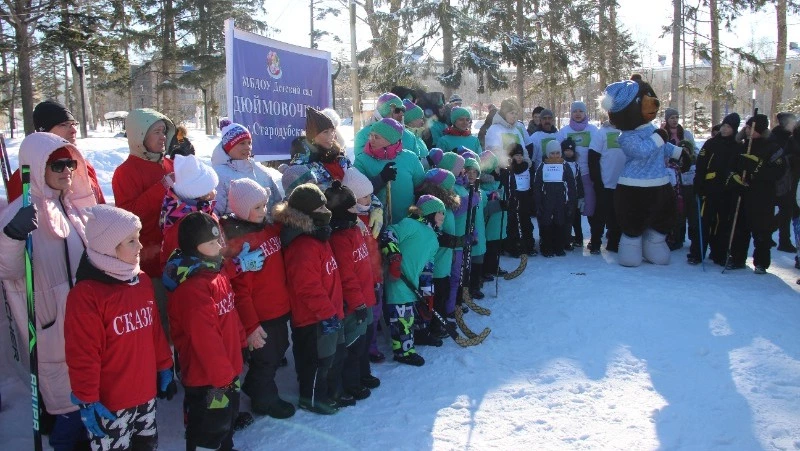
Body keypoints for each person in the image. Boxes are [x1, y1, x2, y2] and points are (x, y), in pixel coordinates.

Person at [0, 132, 98, 450]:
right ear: (37, 166)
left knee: (86, 402)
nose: (67, 171)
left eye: (70, 163)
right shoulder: (20, 212)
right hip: (51, 327)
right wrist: (12, 236)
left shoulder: (71, 206)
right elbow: (9, 272)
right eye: (57, 165)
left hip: (83, 323)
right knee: (68, 411)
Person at [65, 205, 175, 451]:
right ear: (108, 246)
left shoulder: (141, 280)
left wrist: (164, 364)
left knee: (146, 445)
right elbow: (83, 352)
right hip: (110, 403)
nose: (140, 246)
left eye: (138, 239)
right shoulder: (87, 294)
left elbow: (154, 330)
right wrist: (86, 396)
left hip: (145, 394)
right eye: (131, 241)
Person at [163, 212, 246, 450]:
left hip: (226, 371)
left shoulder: (215, 272)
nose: (219, 246)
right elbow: (205, 339)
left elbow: (230, 311)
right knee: (209, 427)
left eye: (218, 240)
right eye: (211, 243)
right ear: (194, 247)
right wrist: (223, 379)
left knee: (225, 421)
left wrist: (241, 342)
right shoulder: (193, 288)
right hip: (209, 379)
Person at [219, 178, 295, 419]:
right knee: (266, 360)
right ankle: (265, 399)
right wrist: (251, 327)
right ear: (242, 210)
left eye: (264, 205)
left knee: (280, 347)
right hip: (262, 316)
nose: (264, 211)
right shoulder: (240, 242)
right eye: (258, 208)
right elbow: (240, 292)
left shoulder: (266, 228)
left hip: (278, 308)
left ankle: (254, 385)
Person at [272, 183, 344, 415]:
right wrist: (327, 313)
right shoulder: (303, 246)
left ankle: (326, 395)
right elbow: (307, 287)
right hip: (313, 318)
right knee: (315, 362)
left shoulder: (316, 236)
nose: (325, 210)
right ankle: (310, 398)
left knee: (327, 358)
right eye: (320, 206)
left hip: (327, 312)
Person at [325, 181, 378, 403]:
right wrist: (358, 303)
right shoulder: (339, 239)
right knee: (354, 345)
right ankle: (352, 382)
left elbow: (365, 263)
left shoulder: (355, 229)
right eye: (351, 208)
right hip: (355, 303)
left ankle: (363, 374)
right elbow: (346, 277)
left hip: (367, 295)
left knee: (364, 340)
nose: (357, 211)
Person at [112, 108, 176, 286]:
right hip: (149, 263)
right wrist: (161, 188)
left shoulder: (170, 164)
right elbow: (129, 216)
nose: (163, 136)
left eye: (164, 131)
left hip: (178, 257)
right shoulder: (125, 172)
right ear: (139, 136)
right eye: (156, 132)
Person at [380, 195, 445, 367]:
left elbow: (427, 269)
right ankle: (403, 351)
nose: (443, 217)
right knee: (403, 318)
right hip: (398, 280)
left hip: (414, 283)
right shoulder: (411, 224)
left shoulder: (433, 239)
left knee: (419, 313)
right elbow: (389, 233)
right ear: (430, 212)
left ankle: (421, 336)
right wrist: (393, 256)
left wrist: (427, 294)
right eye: (441, 212)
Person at [7, 99, 106, 204]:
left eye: (73, 124)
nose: (74, 130)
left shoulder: (83, 166)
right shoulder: (27, 175)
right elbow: (22, 215)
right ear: (44, 131)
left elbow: (101, 208)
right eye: (64, 124)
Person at [725, 114, 785, 274]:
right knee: (739, 227)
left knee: (761, 229)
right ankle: (737, 258)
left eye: (751, 128)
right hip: (743, 193)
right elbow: (731, 166)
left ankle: (761, 262)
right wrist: (735, 177)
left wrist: (757, 167)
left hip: (762, 195)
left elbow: (778, 172)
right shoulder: (742, 146)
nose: (747, 130)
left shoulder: (773, 147)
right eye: (746, 127)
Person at [342, 167, 386, 368]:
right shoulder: (350, 223)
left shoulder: (370, 215)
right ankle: (366, 349)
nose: (370, 201)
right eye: (365, 197)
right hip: (361, 279)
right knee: (363, 319)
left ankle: (372, 344)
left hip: (375, 274)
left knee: (374, 315)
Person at [354, 118, 425, 224]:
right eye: (371, 135)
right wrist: (380, 179)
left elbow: (420, 186)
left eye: (376, 137)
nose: (371, 140)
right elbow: (356, 191)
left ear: (391, 139)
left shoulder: (410, 158)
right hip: (376, 222)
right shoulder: (362, 160)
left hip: (406, 222)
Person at [692, 113, 740, 265]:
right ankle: (697, 253)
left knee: (722, 224)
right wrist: (698, 184)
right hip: (709, 189)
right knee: (704, 221)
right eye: (724, 126)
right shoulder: (711, 144)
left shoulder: (738, 147)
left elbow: (738, 168)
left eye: (729, 127)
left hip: (726, 191)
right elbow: (700, 165)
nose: (725, 130)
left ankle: (719, 254)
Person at [159, 154, 219, 271]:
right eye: (212, 188)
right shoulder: (186, 225)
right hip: (197, 281)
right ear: (203, 195)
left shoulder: (203, 211)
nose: (215, 192)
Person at [212, 122, 282, 217]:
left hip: (268, 230)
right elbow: (214, 213)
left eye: (249, 143)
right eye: (242, 143)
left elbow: (277, 204)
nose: (248, 147)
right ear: (229, 147)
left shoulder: (261, 170)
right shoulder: (218, 175)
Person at [557, 101, 600, 249]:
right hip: (569, 176)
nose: (578, 114)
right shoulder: (564, 131)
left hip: (588, 175)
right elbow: (556, 153)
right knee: (571, 209)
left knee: (590, 208)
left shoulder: (594, 130)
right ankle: (573, 237)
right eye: (575, 111)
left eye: (581, 111)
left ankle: (595, 240)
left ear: (585, 113)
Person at [534, 140, 577, 257]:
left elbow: (571, 185)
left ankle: (559, 247)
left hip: (561, 200)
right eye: (552, 153)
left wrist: (571, 202)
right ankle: (546, 247)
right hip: (546, 199)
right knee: (546, 223)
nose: (555, 156)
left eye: (557, 153)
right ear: (548, 154)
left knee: (560, 222)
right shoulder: (542, 166)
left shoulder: (565, 166)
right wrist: (538, 203)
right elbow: (537, 186)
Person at [593, 120, 626, 253]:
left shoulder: (628, 131)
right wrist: (597, 181)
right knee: (600, 216)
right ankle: (595, 243)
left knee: (618, 216)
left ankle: (614, 243)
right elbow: (593, 157)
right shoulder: (601, 133)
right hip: (605, 182)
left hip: (624, 183)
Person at [769, 112, 798, 253]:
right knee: (787, 208)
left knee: (788, 209)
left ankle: (772, 233)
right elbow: (782, 157)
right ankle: (783, 240)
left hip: (790, 177)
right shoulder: (781, 137)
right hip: (784, 179)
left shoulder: (789, 136)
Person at [479, 150, 508, 280]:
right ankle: (486, 269)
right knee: (489, 247)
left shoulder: (499, 182)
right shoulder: (485, 186)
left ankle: (493, 266)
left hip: (498, 220)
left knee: (495, 246)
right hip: (490, 221)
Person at [505, 143, 536, 257]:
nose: (519, 157)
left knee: (526, 223)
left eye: (520, 155)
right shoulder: (509, 169)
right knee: (513, 224)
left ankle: (528, 245)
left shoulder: (526, 167)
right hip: (514, 198)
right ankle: (514, 247)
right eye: (516, 155)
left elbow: (532, 183)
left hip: (525, 198)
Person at [561, 138, 585, 250]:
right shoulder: (561, 164)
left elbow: (579, 182)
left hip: (574, 197)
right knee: (566, 219)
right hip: (564, 197)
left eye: (571, 150)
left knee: (576, 219)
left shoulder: (576, 165)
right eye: (566, 150)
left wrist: (581, 196)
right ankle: (565, 239)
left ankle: (579, 238)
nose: (568, 152)